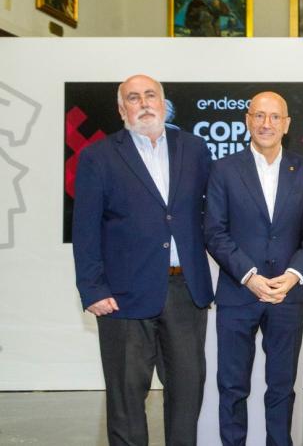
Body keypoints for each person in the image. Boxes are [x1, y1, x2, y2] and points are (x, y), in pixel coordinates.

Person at [72, 74, 213, 446]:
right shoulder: (98, 156)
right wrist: (92, 288)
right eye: (134, 98)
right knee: (126, 398)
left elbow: (212, 216)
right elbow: (84, 229)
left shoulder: (195, 149)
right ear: (122, 110)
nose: (145, 103)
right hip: (122, 297)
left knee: (187, 394)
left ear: (163, 102)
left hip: (186, 290)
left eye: (151, 95)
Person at [204, 91, 303, 446]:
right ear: (247, 120)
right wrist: (250, 277)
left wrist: (292, 276)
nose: (266, 123)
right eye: (259, 116)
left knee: (282, 387)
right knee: (232, 386)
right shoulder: (223, 169)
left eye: (275, 117)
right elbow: (214, 231)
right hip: (239, 293)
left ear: (287, 124)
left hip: (288, 295)